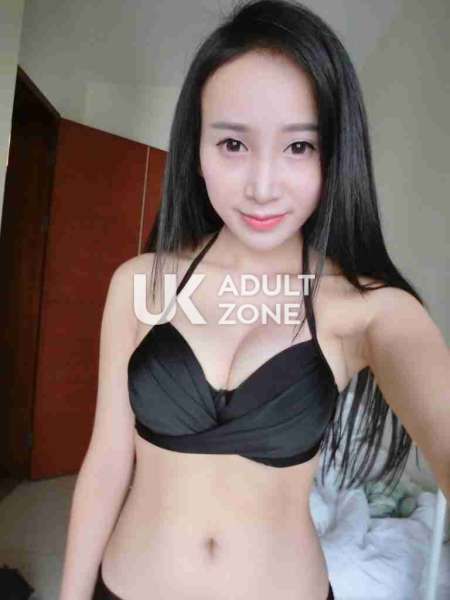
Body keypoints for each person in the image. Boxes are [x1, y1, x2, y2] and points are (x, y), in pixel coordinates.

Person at [59, 1, 450, 598]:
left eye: (299, 147)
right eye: (233, 144)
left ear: (335, 156)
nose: (263, 187)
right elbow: (108, 461)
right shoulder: (140, 284)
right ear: (197, 150)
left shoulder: (370, 311)